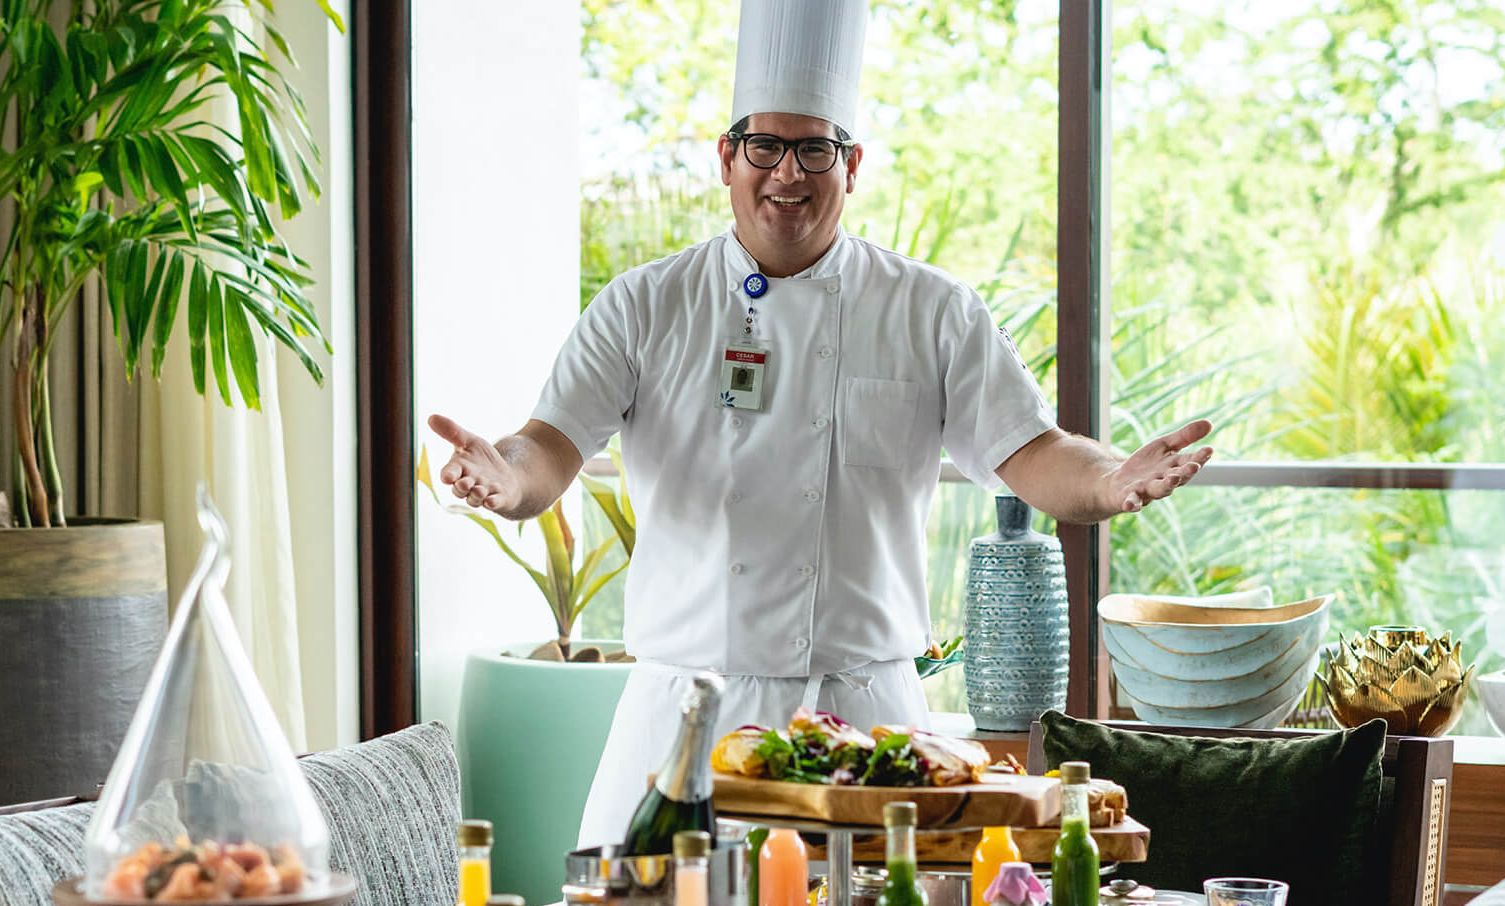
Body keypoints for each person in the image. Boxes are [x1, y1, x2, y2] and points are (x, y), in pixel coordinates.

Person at [424, 0, 1215, 847]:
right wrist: (504, 477)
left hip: (867, 728)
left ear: (853, 163)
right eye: (765, 146)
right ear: (727, 157)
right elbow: (549, 445)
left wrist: (1107, 480)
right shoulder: (646, 305)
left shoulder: (929, 308)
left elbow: (1033, 449)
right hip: (686, 720)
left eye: (815, 149)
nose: (788, 175)